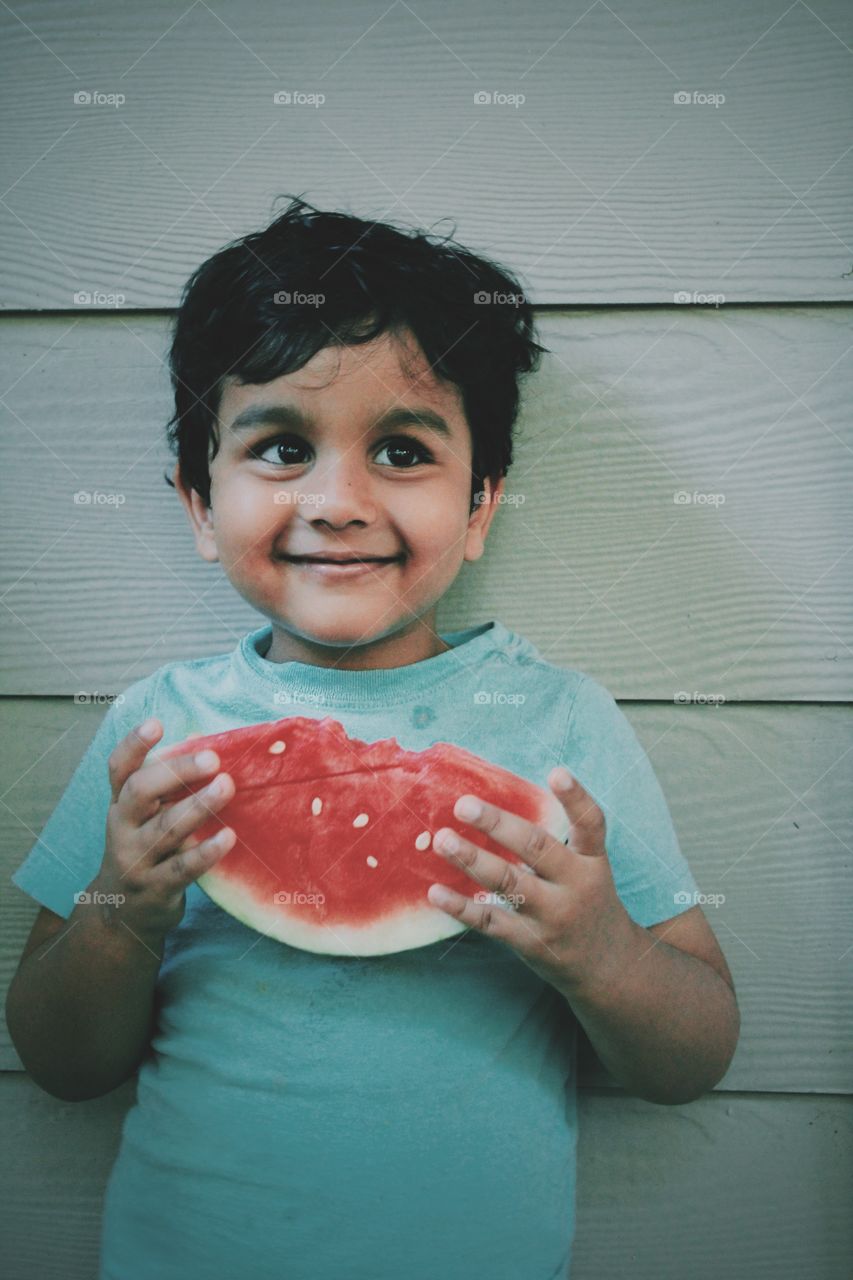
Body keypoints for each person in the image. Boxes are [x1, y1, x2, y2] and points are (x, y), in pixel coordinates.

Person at [6, 197, 740, 1280]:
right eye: (281, 445)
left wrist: (602, 954)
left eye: (401, 449)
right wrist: (123, 914)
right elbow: (58, 1057)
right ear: (200, 505)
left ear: (481, 502)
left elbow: (695, 1050)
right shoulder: (157, 730)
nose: (338, 500)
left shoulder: (560, 724)